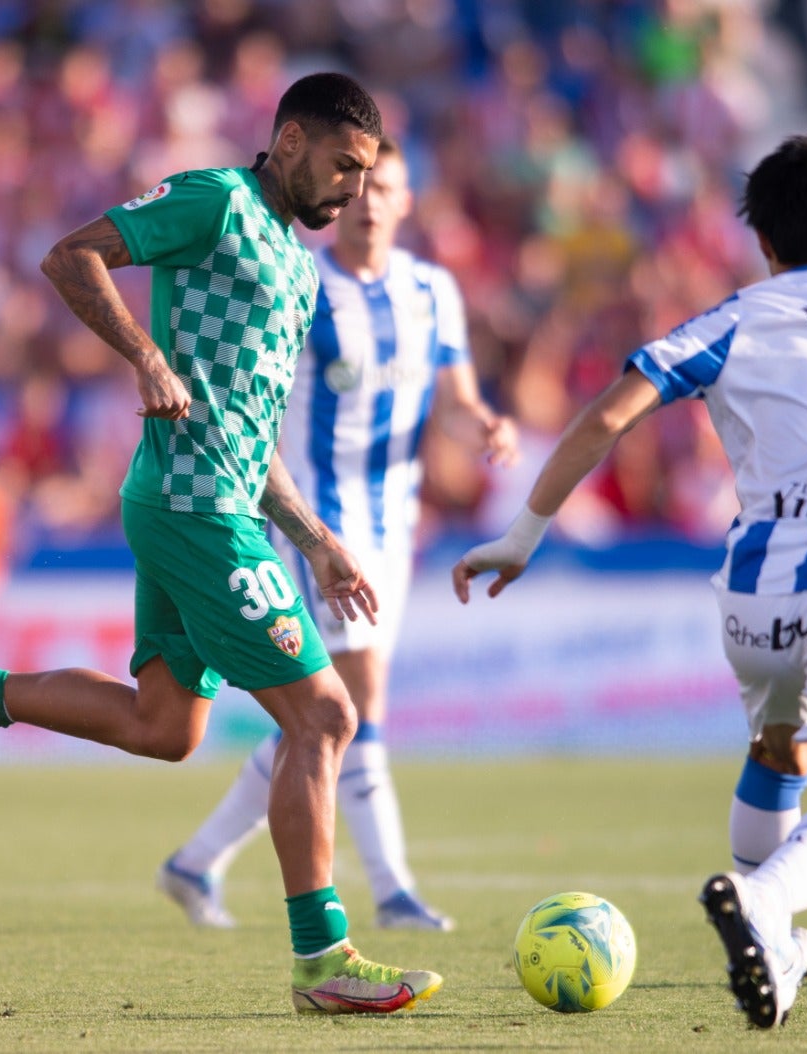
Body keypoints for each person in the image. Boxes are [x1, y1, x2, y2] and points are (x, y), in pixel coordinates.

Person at [0, 73, 442, 1015]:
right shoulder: (215, 200)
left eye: (367, 174)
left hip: (219, 501)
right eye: (342, 166)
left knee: (165, 728)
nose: (351, 191)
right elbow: (71, 257)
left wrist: (312, 538)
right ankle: (324, 960)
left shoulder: (300, 272)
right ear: (291, 139)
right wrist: (145, 355)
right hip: (194, 508)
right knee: (327, 718)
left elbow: (248, 432)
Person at [453, 135, 807, 1029]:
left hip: (756, 598)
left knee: (778, 749)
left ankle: (780, 954)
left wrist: (522, 536)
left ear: (766, 241)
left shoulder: (739, 315)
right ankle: (765, 909)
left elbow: (608, 415)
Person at [155, 136, 519, 933]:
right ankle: (393, 893)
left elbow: (453, 399)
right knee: (353, 705)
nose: (369, 202)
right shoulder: (304, 283)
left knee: (326, 713)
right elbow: (264, 400)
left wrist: (484, 422)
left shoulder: (431, 290)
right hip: (317, 517)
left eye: (386, 186)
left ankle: (195, 861)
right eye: (358, 187)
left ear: (406, 199)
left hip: (395, 522)